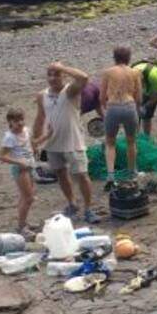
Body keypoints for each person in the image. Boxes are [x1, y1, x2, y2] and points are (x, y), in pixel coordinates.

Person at [33, 61, 101, 224]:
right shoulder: (42, 95)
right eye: (49, 74)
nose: (52, 78)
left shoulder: (70, 91)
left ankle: (89, 208)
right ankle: (72, 203)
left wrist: (61, 67)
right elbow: (40, 118)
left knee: (82, 175)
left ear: (64, 76)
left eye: (56, 74)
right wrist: (34, 142)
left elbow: (84, 77)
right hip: (53, 143)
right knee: (61, 174)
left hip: (73, 141)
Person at [99, 46, 142, 190]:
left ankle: (111, 175)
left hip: (113, 106)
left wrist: (107, 107)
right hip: (129, 105)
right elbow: (139, 95)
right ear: (129, 58)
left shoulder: (108, 72)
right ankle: (132, 173)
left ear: (114, 57)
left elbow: (102, 96)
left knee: (110, 143)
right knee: (131, 141)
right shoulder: (135, 72)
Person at [0, 108, 37, 235]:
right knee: (28, 198)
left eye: (21, 119)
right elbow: (1, 156)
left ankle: (23, 222)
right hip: (20, 169)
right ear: (10, 122)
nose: (20, 123)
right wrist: (19, 162)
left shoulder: (26, 131)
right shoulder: (9, 137)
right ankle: (21, 227)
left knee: (25, 197)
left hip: (29, 165)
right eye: (16, 121)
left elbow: (30, 144)